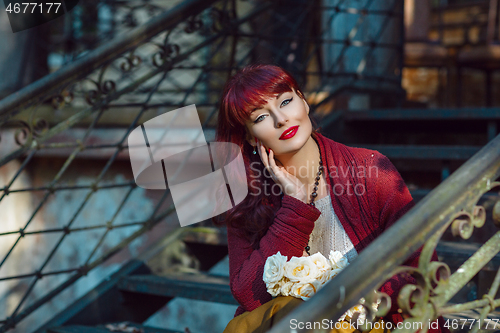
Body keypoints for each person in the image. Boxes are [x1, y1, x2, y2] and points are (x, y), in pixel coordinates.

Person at [213, 64, 445, 333]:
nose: (281, 119)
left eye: (285, 102)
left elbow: (422, 272)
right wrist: (295, 206)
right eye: (261, 117)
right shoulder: (247, 197)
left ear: (304, 101)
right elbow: (249, 295)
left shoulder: (371, 171)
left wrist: (343, 294)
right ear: (251, 138)